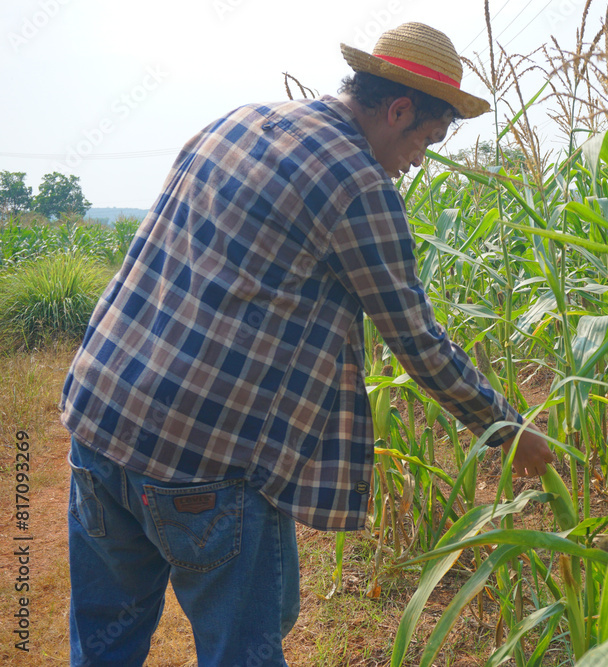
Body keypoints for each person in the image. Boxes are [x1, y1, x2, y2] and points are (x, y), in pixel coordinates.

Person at [60, 22, 554, 666]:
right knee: (246, 649)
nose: (418, 161)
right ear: (398, 109)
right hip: (204, 461)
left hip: (99, 422)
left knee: (104, 642)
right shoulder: (359, 186)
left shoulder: (240, 121)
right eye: (424, 141)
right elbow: (418, 342)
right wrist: (507, 431)